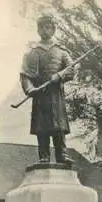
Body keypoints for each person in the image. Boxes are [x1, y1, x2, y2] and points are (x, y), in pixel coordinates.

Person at [20, 14, 74, 165]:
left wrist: (60, 76)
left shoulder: (62, 51)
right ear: (38, 30)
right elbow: (25, 75)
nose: (45, 30)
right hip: (40, 95)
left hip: (56, 95)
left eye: (48, 27)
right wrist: (30, 88)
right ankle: (43, 155)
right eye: (42, 27)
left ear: (53, 29)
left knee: (59, 126)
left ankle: (62, 154)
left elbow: (72, 69)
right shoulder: (33, 52)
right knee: (42, 126)